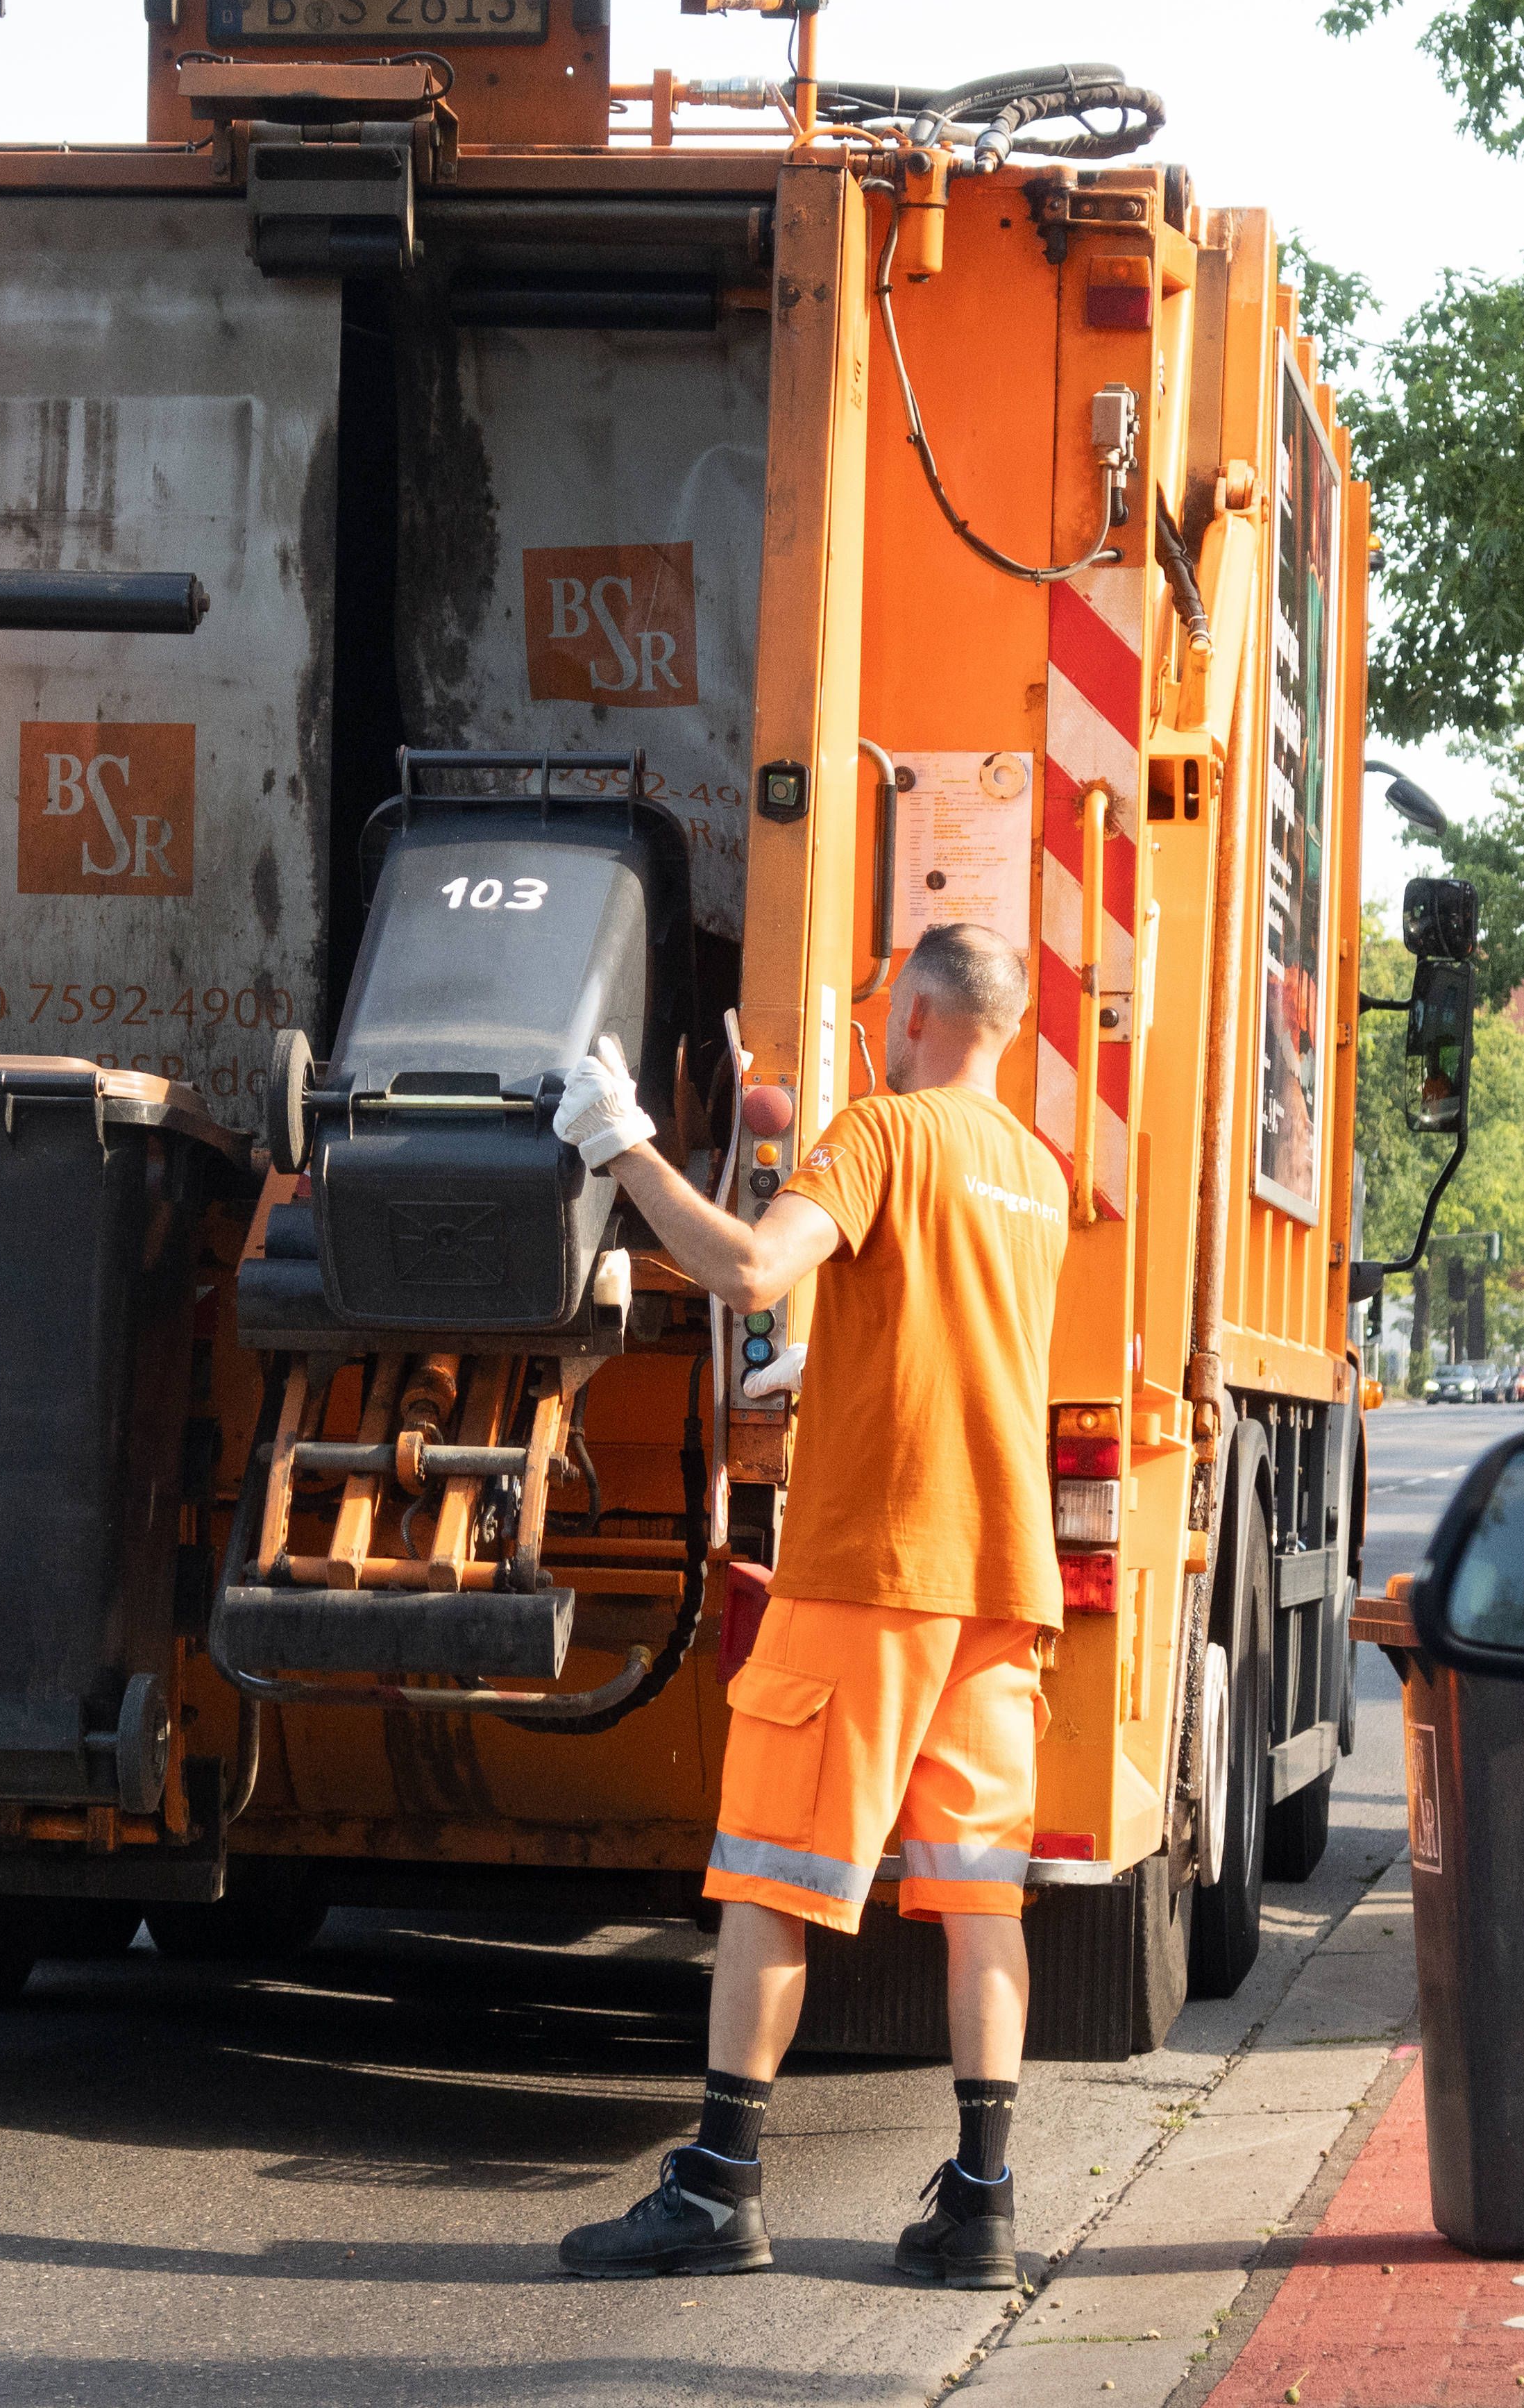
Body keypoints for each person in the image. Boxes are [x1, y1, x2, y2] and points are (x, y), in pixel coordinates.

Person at [545, 921, 1066, 2289]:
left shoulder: (883, 1130)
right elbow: (948, 1332)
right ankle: (985, 2205)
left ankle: (719, 2185)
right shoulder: (1038, 1171)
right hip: (997, 1581)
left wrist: (622, 1147)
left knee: (772, 1874)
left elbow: (751, 1269)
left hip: (871, 1564)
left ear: (914, 1014)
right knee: (976, 1894)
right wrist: (820, 1371)